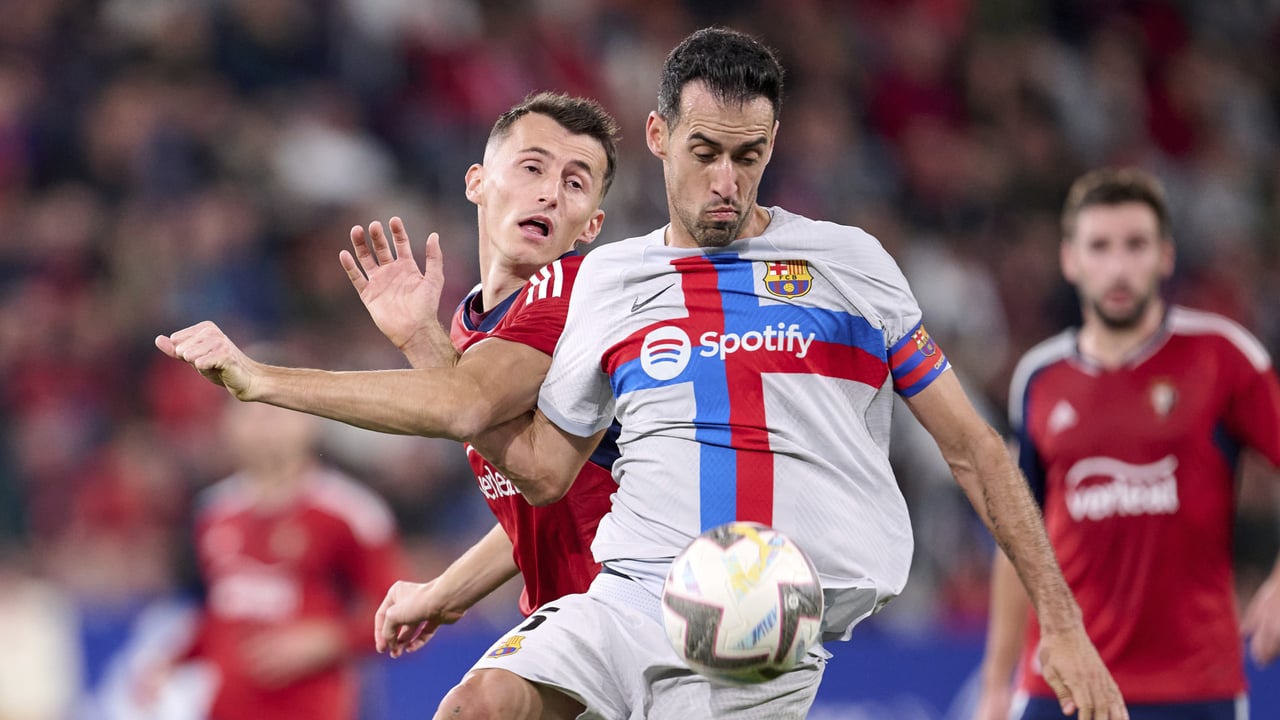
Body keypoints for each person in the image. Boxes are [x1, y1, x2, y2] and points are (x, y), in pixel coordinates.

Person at [158, 27, 1126, 719]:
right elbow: (544, 469)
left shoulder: (848, 265)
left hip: (765, 613)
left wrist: (1063, 624)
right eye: (704, 152)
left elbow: (975, 450)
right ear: (661, 137)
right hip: (624, 598)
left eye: (749, 156)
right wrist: (446, 586)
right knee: (475, 706)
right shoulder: (610, 281)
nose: (725, 183)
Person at [157, 92, 622, 715]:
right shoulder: (476, 327)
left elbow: (470, 413)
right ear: (477, 182)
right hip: (575, 609)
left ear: (591, 223)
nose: (550, 193)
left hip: (626, 605)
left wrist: (261, 379)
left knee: (475, 708)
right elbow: (541, 495)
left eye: (575, 182)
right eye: (532, 167)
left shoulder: (573, 289)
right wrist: (444, 593)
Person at [973, 167, 1280, 720]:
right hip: (1061, 686)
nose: (1118, 266)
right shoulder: (1039, 377)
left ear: (1166, 256)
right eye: (1100, 246)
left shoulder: (1222, 355)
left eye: (1136, 245)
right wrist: (996, 685)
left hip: (1195, 688)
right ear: (1070, 259)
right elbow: (1017, 534)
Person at [138, 379, 408, 720]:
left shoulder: (351, 513)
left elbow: (404, 615)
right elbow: (223, 611)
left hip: (311, 709)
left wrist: (327, 640)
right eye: (249, 411)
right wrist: (174, 661)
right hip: (224, 710)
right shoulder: (213, 512)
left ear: (309, 421)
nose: (263, 425)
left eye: (276, 411)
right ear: (227, 424)